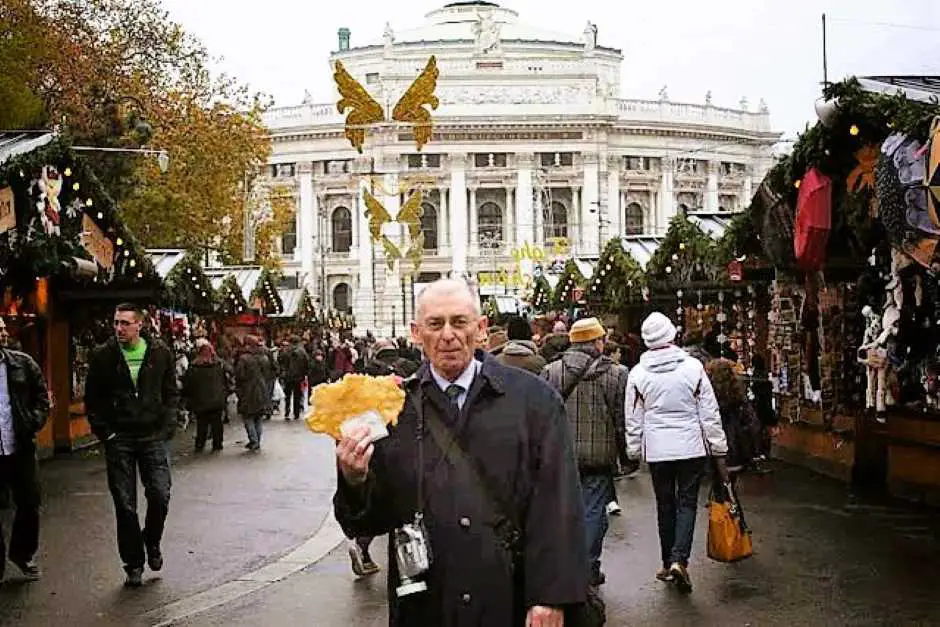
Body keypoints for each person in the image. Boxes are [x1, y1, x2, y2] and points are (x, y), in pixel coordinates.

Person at [334, 279, 588, 627]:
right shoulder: (393, 409)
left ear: (481, 328)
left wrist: (550, 596)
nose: (448, 335)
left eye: (460, 322)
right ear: (416, 333)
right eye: (435, 324)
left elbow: (558, 504)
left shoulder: (534, 401)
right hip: (428, 605)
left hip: (509, 600)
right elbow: (369, 520)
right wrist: (354, 480)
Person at [625, 312, 729, 593]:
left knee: (665, 504)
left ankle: (666, 560)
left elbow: (633, 417)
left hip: (658, 450)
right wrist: (718, 446)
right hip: (691, 446)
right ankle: (679, 560)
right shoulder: (693, 368)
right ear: (671, 335)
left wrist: (633, 450)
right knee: (686, 502)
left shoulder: (638, 374)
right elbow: (709, 412)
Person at [85, 303, 179, 588]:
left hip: (152, 435)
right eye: (116, 323)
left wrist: (167, 424)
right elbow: (93, 398)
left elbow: (171, 391)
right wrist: (106, 433)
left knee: (160, 493)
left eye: (125, 323)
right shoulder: (104, 356)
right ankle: (133, 563)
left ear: (140, 324)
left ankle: (151, 541)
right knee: (125, 504)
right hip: (120, 437)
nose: (119, 328)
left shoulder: (160, 352)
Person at [542, 317, 629, 587]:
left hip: (560, 453)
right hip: (599, 455)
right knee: (593, 511)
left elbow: (542, 415)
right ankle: (588, 565)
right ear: (597, 342)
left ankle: (566, 565)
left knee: (563, 511)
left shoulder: (551, 371)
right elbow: (621, 417)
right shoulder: (616, 373)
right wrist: (625, 453)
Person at [0, 318, 50, 583]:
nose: (4, 333)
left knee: (29, 503)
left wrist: (33, 421)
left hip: (19, 446)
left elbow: (42, 398)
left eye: (2, 328)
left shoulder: (22, 363)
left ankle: (22, 554)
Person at [182, 339, 229, 453]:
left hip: (200, 400)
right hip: (217, 400)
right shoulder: (218, 365)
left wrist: (188, 397)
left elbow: (188, 384)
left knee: (202, 424)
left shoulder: (194, 367)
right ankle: (217, 444)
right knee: (217, 423)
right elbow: (224, 381)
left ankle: (200, 444)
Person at [235, 336, 271, 451]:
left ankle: (254, 440)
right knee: (258, 417)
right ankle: (257, 440)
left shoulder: (244, 359)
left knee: (248, 416)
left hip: (248, 390)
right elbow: (268, 373)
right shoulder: (264, 358)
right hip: (261, 388)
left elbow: (239, 375)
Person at [279, 336, 310, 421]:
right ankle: (296, 413)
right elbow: (307, 363)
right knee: (297, 395)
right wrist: (305, 374)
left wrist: (283, 372)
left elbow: (280, 361)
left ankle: (287, 411)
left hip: (288, 376)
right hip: (299, 377)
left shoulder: (286, 351)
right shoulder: (302, 351)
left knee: (287, 395)